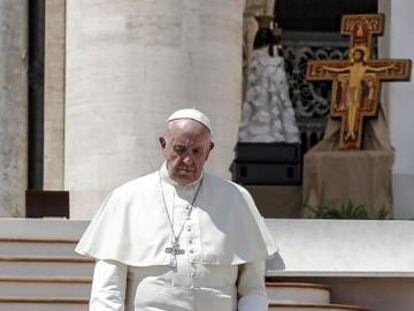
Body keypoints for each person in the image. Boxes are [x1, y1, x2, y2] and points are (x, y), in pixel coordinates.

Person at [76, 108, 277, 311]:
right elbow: (107, 289)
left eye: (197, 151)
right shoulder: (127, 198)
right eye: (180, 150)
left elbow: (253, 290)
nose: (188, 160)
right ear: (163, 145)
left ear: (209, 150)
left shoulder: (236, 198)